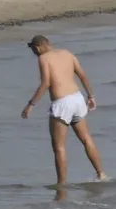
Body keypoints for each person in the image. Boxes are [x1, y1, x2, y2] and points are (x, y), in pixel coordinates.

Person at [21, 35, 107, 186]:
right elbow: (82, 75)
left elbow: (46, 83)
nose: (34, 52)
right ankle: (101, 174)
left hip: (62, 103)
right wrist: (91, 96)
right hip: (77, 98)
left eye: (34, 49)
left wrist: (31, 104)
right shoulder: (67, 53)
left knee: (59, 147)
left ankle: (61, 185)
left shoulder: (43, 58)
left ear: (38, 47)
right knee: (87, 139)